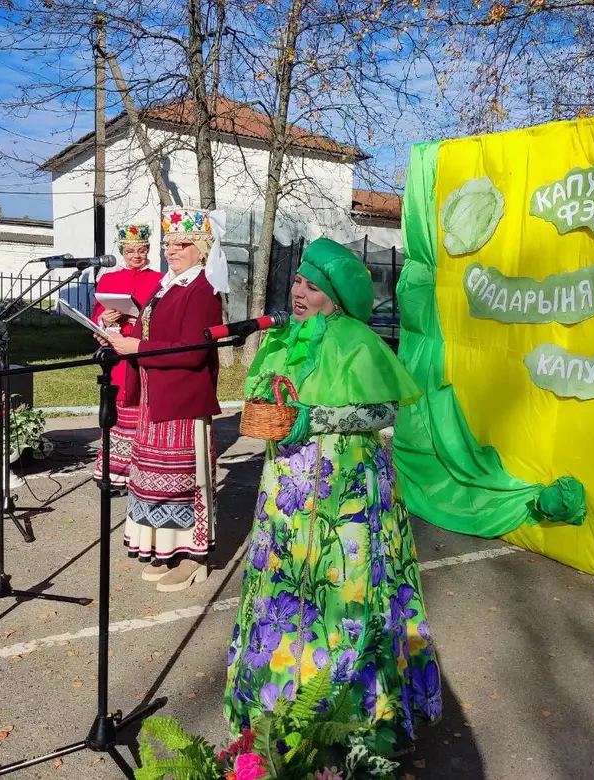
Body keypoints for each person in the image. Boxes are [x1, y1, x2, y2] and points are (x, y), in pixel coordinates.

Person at [224, 237, 442, 756]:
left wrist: (316, 418)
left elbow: (384, 413)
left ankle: (354, 715)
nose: (300, 292)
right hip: (288, 495)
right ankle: (276, 705)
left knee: (344, 592)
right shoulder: (283, 340)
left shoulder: (359, 342)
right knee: (284, 589)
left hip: (346, 495)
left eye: (313, 287)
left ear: (336, 299)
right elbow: (266, 400)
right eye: (298, 281)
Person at [101, 206, 228, 592]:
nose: (172, 250)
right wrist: (115, 329)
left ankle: (193, 557)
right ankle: (164, 550)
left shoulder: (203, 288)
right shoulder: (167, 285)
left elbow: (192, 351)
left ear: (203, 248)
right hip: (156, 395)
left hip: (183, 400)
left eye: (182, 243)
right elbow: (146, 327)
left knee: (181, 480)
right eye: (169, 243)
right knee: (154, 479)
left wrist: (136, 344)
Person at [90, 223, 162, 495]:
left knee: (141, 410)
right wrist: (104, 319)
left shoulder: (159, 279)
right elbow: (97, 314)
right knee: (116, 410)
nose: (136, 255)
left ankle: (138, 472)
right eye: (131, 250)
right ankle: (111, 473)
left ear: (148, 250)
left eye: (141, 250)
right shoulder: (108, 279)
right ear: (122, 251)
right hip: (117, 356)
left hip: (142, 351)